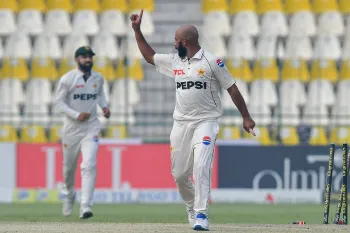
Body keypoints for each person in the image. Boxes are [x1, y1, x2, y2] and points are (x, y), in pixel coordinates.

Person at [130, 10, 256, 231]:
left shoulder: (212, 61)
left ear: (184, 42)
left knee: (201, 164)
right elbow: (150, 57)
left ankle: (201, 214)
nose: (173, 44)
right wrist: (137, 30)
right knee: (179, 174)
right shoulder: (175, 61)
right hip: (181, 123)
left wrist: (246, 117)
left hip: (206, 122)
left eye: (176, 41)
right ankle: (191, 205)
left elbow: (232, 88)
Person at [55, 46, 110, 219]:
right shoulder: (68, 79)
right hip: (72, 129)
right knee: (68, 169)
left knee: (89, 165)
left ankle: (86, 205)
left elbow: (99, 95)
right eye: (84, 57)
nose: (88, 60)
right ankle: (70, 194)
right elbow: (58, 103)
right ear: (77, 59)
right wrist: (76, 114)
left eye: (90, 57)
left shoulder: (98, 78)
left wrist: (105, 106)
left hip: (91, 127)